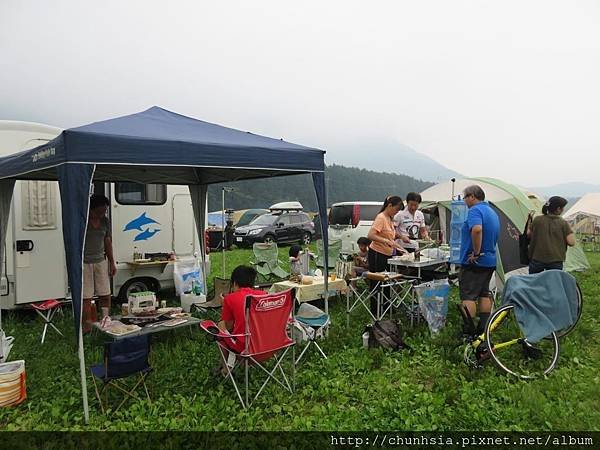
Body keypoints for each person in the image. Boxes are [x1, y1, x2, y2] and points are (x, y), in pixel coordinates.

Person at [459, 185, 500, 335]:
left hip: (475, 262)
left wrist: (476, 253)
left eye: (465, 197)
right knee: (484, 294)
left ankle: (469, 332)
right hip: (490, 260)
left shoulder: (475, 210)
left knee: (468, 296)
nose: (464, 201)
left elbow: (477, 229)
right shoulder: (491, 211)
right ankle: (483, 329)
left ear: (472, 196)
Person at [217, 266, 266, 372]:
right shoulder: (264, 295)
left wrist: (224, 306)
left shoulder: (230, 299)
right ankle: (244, 365)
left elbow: (228, 327)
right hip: (267, 345)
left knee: (220, 326)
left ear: (234, 283)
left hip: (245, 347)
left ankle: (226, 369)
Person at [82, 194, 117, 332]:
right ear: (91, 209)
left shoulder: (105, 222)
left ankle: (105, 321)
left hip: (100, 261)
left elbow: (107, 241)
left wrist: (112, 262)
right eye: (99, 211)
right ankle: (86, 327)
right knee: (86, 297)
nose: (102, 214)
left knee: (105, 294)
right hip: (84, 263)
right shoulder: (83, 221)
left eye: (104, 211)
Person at [367, 196, 406, 315]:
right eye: (396, 210)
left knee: (387, 281)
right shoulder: (381, 218)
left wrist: (401, 247)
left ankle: (386, 307)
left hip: (387, 254)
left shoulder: (389, 218)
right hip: (377, 254)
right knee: (377, 282)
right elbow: (371, 235)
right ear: (389, 206)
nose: (396, 212)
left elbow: (390, 237)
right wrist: (386, 241)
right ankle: (376, 310)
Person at [527, 196, 576, 274]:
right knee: (553, 282)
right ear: (558, 209)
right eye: (562, 208)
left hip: (537, 258)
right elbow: (571, 242)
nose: (563, 210)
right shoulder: (563, 223)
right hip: (555, 260)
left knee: (534, 283)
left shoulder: (537, 220)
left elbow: (528, 235)